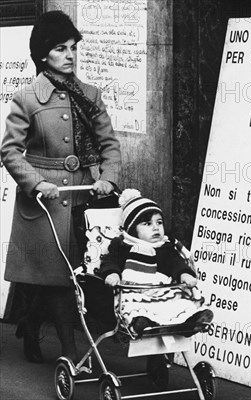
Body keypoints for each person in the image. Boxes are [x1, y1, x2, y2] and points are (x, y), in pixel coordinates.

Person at [1, 11, 121, 363]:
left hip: (83, 198)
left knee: (76, 275)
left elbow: (109, 145)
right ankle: (70, 354)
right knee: (57, 279)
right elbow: (10, 151)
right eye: (60, 48)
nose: (70, 55)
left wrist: (107, 178)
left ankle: (29, 320)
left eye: (72, 48)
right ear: (42, 55)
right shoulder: (26, 98)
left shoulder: (90, 95)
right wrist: (37, 183)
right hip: (45, 203)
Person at [99, 189, 213, 390]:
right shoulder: (122, 245)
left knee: (177, 302)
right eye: (147, 223)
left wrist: (184, 274)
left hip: (161, 292)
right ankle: (140, 321)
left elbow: (175, 263)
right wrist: (112, 274)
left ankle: (189, 320)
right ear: (133, 229)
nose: (156, 228)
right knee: (136, 307)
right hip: (135, 291)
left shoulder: (165, 247)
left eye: (159, 222)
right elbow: (110, 261)